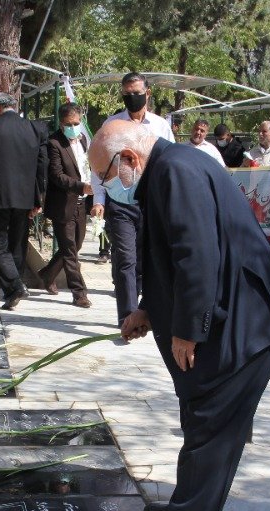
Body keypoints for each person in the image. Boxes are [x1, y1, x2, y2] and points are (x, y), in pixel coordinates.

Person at [94, 121, 270, 511]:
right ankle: (189, 510)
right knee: (201, 418)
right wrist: (149, 309)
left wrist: (188, 330)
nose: (107, 185)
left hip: (245, 321)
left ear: (129, 159)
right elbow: (169, 255)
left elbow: (197, 253)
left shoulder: (175, 171)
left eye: (106, 175)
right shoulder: (170, 167)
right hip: (232, 313)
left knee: (211, 425)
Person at [89, 72, 175, 324]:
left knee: (145, 258)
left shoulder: (160, 126)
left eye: (136, 93)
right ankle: (127, 317)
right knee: (125, 258)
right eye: (126, 94)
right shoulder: (112, 124)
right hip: (121, 201)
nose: (131, 98)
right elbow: (99, 166)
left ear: (147, 93)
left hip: (150, 203)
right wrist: (98, 199)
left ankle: (145, 311)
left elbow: (169, 162)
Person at [0, 92, 48, 310]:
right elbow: (42, 165)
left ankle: (15, 286)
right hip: (25, 196)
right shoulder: (35, 128)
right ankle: (13, 289)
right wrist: (39, 198)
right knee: (17, 244)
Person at [38, 102, 94, 308]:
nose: (73, 127)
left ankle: (47, 273)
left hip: (81, 203)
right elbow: (56, 175)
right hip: (63, 203)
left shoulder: (84, 141)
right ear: (61, 123)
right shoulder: (54, 143)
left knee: (75, 245)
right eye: (68, 124)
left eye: (76, 123)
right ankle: (79, 293)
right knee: (70, 250)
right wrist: (81, 186)